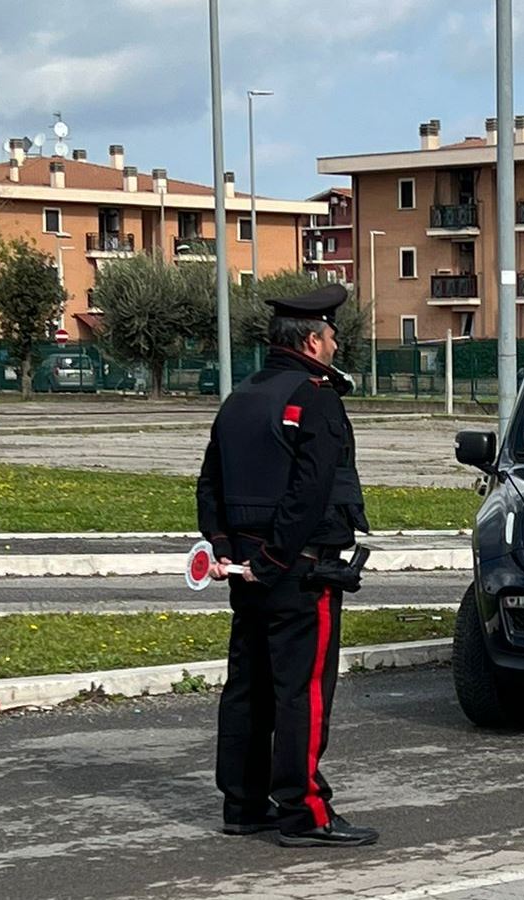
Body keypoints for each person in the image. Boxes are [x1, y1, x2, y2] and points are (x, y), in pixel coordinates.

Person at [195, 284, 378, 847]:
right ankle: (305, 814)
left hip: (246, 571)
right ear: (312, 340)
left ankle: (244, 805)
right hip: (299, 572)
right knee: (302, 693)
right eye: (331, 335)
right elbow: (311, 491)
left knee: (247, 689)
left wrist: (227, 551)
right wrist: (275, 559)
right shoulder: (316, 397)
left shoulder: (241, 396)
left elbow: (210, 485)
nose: (335, 343)